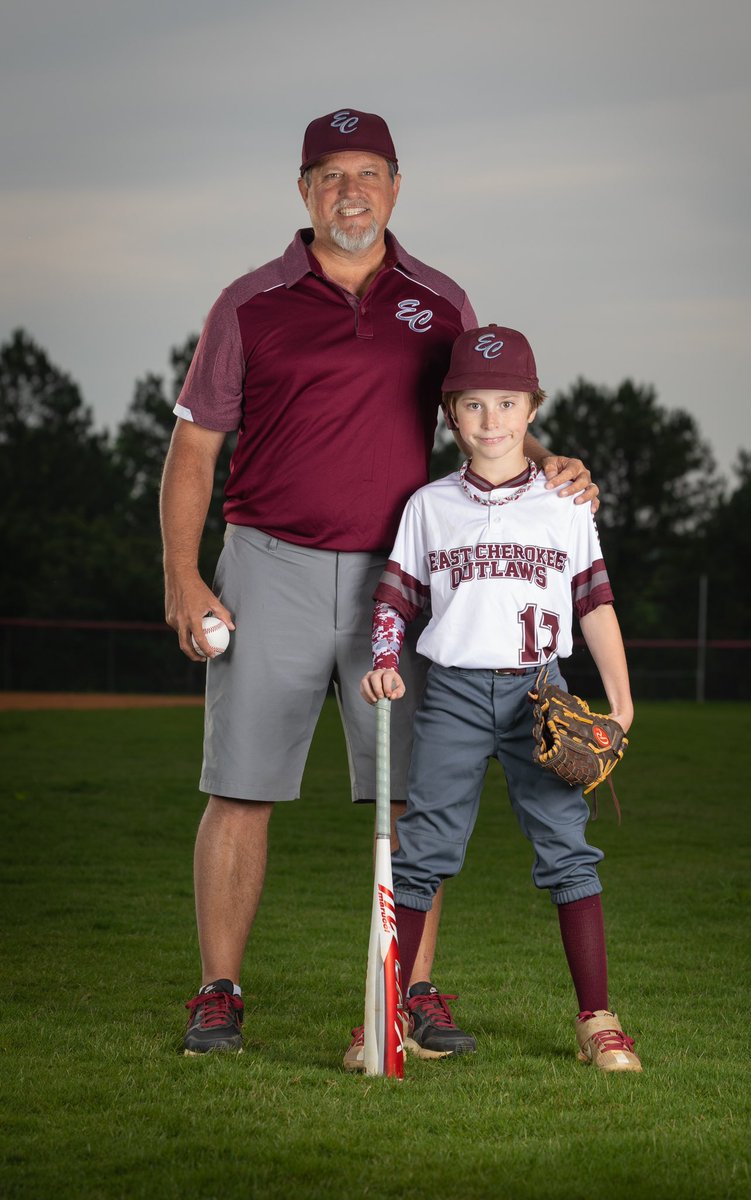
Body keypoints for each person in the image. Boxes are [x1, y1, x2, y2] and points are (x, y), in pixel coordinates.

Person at [160, 109, 599, 1057]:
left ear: (396, 186)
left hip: (402, 579)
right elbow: (195, 443)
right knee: (240, 788)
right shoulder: (248, 301)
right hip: (267, 561)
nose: (349, 191)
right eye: (329, 174)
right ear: (304, 191)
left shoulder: (440, 302)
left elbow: (490, 412)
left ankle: (413, 992)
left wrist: (551, 463)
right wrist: (184, 574)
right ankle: (219, 989)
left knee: (417, 798)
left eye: (367, 173)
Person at [359, 324, 641, 1072]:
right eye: (475, 405)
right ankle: (385, 1018)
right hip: (450, 693)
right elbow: (395, 601)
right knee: (421, 854)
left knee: (568, 850)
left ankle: (599, 1021)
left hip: (539, 693)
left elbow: (595, 605)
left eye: (508, 403)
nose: (492, 421)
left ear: (532, 410)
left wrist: (620, 698)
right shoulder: (428, 506)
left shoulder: (564, 504)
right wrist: (385, 661)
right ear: (452, 413)